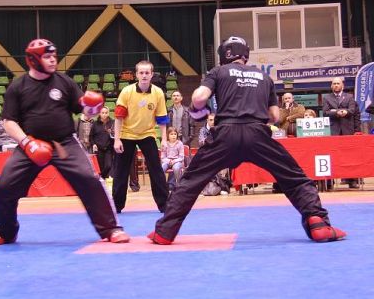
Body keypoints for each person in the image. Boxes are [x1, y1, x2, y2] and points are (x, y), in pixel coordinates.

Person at [148, 36, 346, 245]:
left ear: (224, 54)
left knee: (191, 181)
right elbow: (274, 116)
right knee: (294, 177)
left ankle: (165, 231)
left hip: (226, 134)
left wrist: (199, 111)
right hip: (257, 134)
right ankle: (318, 223)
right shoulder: (264, 77)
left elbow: (198, 98)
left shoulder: (219, 71)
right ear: (245, 54)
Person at [0, 38, 129, 246]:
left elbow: (84, 111)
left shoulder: (64, 82)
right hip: (30, 145)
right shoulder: (18, 86)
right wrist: (27, 143)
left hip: (64, 143)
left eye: (54, 56)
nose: (53, 60)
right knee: (5, 187)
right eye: (47, 56)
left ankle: (111, 228)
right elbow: (8, 122)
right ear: (33, 60)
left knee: (89, 179)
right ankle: (6, 232)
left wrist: (92, 108)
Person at [113, 60, 169, 213]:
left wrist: (164, 139)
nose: (144, 75)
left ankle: (165, 204)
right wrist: (117, 140)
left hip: (147, 134)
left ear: (151, 74)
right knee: (121, 171)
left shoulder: (158, 93)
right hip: (127, 134)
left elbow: (162, 118)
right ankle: (116, 206)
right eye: (141, 73)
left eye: (147, 73)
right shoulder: (127, 92)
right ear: (136, 75)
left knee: (156, 169)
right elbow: (118, 117)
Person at [323, 77, 358, 189]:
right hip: (333, 131)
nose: (336, 85)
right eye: (334, 84)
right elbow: (325, 112)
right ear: (331, 86)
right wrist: (337, 113)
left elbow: (352, 110)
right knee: (332, 156)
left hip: (348, 130)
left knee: (350, 156)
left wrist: (345, 112)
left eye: (338, 83)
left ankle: (352, 180)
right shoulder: (326, 98)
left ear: (342, 85)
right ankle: (330, 182)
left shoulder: (350, 97)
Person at [90, 106, 115, 179]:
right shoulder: (95, 124)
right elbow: (91, 136)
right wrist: (93, 144)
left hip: (109, 149)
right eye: (103, 113)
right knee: (101, 167)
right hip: (99, 149)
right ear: (100, 114)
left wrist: (112, 133)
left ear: (108, 113)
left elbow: (115, 135)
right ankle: (103, 181)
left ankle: (101, 177)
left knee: (108, 166)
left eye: (106, 113)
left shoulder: (112, 123)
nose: (104, 114)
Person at [161, 127, 184, 191]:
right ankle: (163, 185)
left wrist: (174, 161)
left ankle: (179, 184)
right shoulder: (165, 144)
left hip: (177, 161)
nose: (173, 136)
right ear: (168, 135)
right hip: (167, 161)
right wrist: (169, 161)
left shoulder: (180, 143)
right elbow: (163, 157)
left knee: (176, 168)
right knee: (162, 168)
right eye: (171, 134)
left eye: (175, 134)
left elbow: (181, 157)